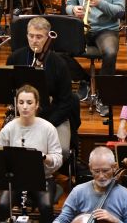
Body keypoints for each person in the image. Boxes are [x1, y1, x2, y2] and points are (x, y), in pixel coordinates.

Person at [66, 0, 125, 116]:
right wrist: (72, 10)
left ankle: (103, 94)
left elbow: (120, 11)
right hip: (82, 26)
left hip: (106, 28)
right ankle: (84, 80)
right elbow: (68, 4)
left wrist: (99, 3)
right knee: (54, 48)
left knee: (110, 52)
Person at [6, 16, 76, 154]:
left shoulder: (59, 63)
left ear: (47, 38)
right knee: (10, 148)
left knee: (62, 150)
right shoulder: (15, 58)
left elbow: (66, 102)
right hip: (22, 115)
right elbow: (9, 92)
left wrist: (45, 124)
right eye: (31, 36)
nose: (34, 41)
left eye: (39, 37)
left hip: (53, 117)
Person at [0, 84, 62, 223]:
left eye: (29, 102)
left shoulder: (48, 128)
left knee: (46, 207)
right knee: (2, 205)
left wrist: (45, 157)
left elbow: (58, 158)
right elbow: (0, 157)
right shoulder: (8, 129)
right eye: (21, 102)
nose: (25, 107)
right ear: (16, 105)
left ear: (37, 105)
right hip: (15, 179)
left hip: (42, 178)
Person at [50, 146, 127, 223]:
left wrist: (115, 221)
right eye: (96, 171)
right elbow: (64, 218)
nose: (101, 176)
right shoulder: (78, 191)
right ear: (90, 168)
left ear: (114, 167)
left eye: (105, 171)